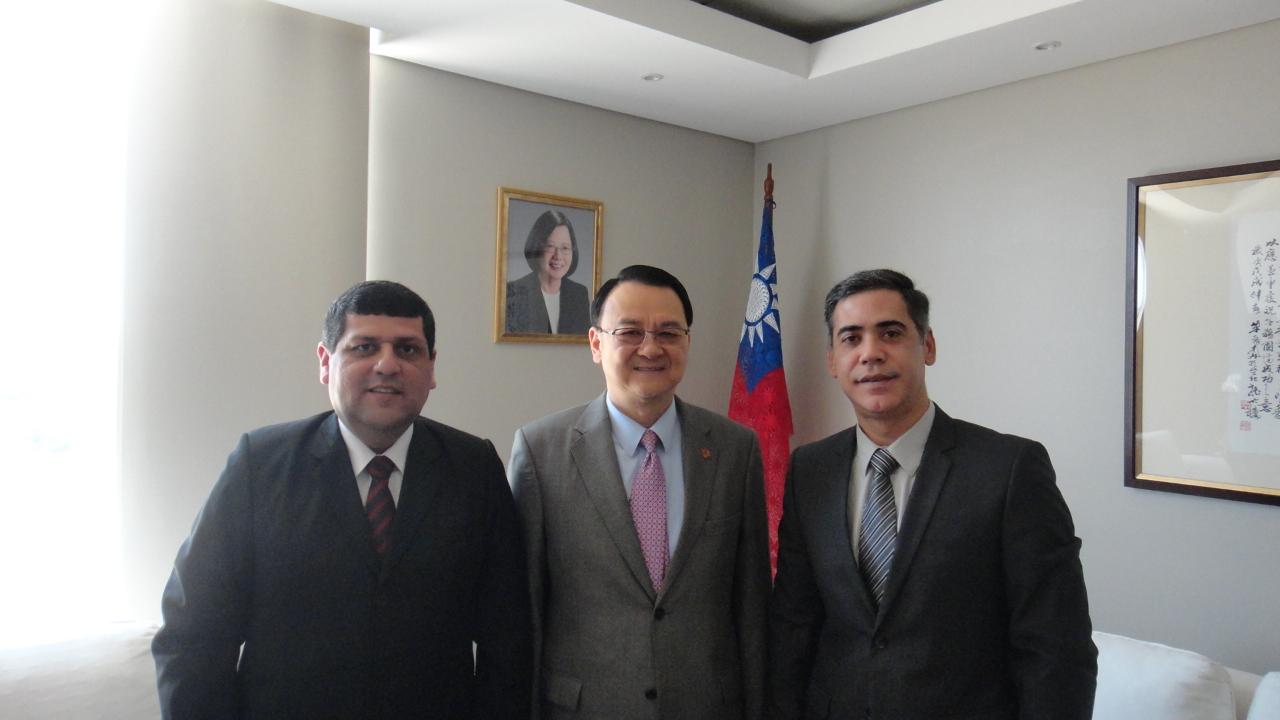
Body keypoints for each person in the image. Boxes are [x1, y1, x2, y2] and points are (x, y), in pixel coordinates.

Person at [152, 280, 531, 720]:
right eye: (364, 347)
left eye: (407, 349)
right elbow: (193, 633)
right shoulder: (260, 466)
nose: (387, 365)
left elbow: (508, 639)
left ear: (431, 368)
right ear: (325, 362)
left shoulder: (474, 468)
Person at [768, 269, 1097, 720]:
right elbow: (794, 625)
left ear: (928, 345)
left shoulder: (1009, 469)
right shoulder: (810, 470)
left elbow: (1057, 648)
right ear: (832, 361)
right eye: (851, 338)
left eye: (891, 333)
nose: (870, 353)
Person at [508, 265, 770, 719]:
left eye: (668, 332)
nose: (650, 348)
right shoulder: (540, 451)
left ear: (687, 342)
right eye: (630, 332)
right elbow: (523, 610)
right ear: (596, 343)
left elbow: (752, 606)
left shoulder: (735, 449)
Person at [505, 209, 591, 335]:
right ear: (537, 248)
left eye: (565, 248)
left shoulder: (579, 294)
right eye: (550, 246)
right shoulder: (515, 292)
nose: (558, 256)